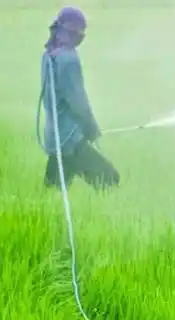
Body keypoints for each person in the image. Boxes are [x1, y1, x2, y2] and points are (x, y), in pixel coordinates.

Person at [39, 6, 119, 191]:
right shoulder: (68, 59)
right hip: (70, 139)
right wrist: (91, 127)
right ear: (72, 31)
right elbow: (78, 101)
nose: (82, 34)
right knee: (109, 180)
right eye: (80, 29)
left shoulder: (49, 55)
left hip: (54, 137)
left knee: (53, 191)